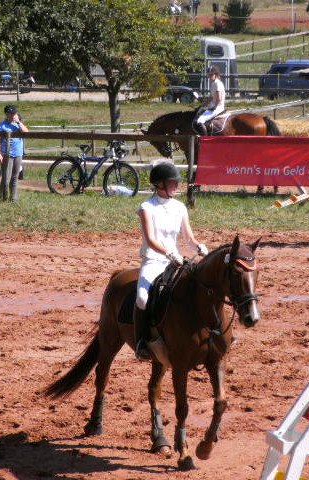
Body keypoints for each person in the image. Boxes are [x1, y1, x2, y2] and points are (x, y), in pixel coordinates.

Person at [134, 162, 208, 361]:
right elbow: (150, 239)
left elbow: (188, 238)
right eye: (172, 182)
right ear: (159, 184)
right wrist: (168, 252)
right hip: (153, 260)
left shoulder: (180, 207)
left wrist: (199, 247)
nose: (177, 185)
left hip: (175, 261)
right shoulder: (146, 207)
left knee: (200, 287)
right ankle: (142, 341)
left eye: (177, 182)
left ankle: (213, 331)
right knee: (142, 298)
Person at [0, 105, 28, 201]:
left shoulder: (18, 124)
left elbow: (26, 132)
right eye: (11, 113)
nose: (13, 115)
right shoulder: (2, 125)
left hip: (18, 154)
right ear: (6, 114)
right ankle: (2, 198)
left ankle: (13, 198)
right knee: (6, 178)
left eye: (14, 113)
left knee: (15, 177)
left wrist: (19, 122)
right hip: (7, 154)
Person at [194, 65, 226, 136]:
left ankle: (205, 140)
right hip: (213, 107)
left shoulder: (217, 84)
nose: (210, 76)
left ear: (216, 74)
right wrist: (202, 105)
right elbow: (211, 97)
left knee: (199, 121)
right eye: (209, 75)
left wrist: (214, 107)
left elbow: (219, 98)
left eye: (211, 74)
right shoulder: (214, 83)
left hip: (217, 108)